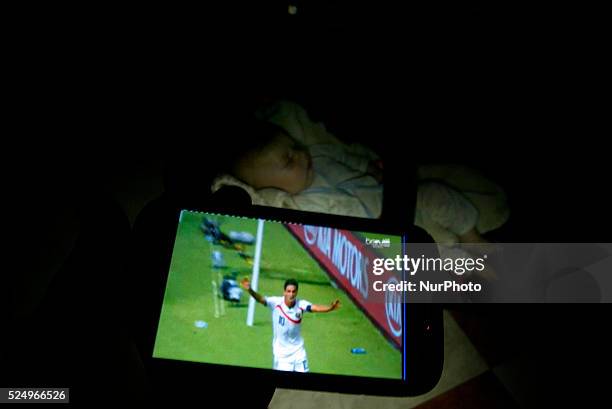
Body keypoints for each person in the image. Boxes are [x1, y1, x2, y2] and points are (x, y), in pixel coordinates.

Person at [212, 100, 509, 246]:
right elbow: (249, 199)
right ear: (269, 186)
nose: (301, 155)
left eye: (295, 146)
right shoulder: (294, 206)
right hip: (382, 238)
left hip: (396, 201)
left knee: (436, 195)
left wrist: (371, 168)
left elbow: (349, 156)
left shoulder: (319, 156)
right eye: (289, 161)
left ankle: (474, 240)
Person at [240, 277, 340, 372]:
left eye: (293, 291)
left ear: (296, 292)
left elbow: (315, 308)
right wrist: (250, 290)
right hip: (282, 355)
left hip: (298, 352)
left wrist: (329, 308)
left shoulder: (301, 304)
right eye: (288, 291)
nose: (291, 294)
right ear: (284, 292)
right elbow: (261, 299)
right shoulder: (276, 303)